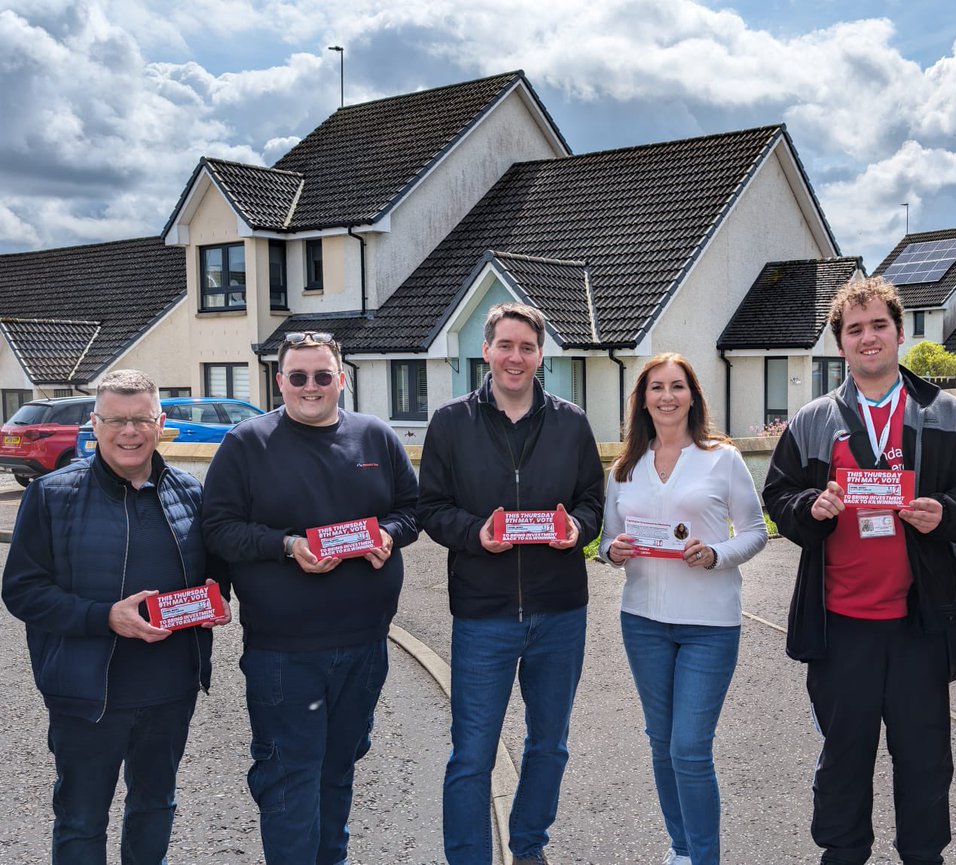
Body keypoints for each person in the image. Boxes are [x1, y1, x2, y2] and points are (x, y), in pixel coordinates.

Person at [762, 276, 956, 865]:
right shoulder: (813, 419)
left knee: (925, 757)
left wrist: (946, 513)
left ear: (897, 332)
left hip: (919, 623)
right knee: (844, 754)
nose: (867, 338)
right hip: (841, 624)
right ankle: (842, 852)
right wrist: (810, 509)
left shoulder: (944, 412)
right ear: (840, 343)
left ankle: (924, 854)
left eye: (878, 326)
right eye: (854, 329)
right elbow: (779, 495)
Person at [201, 332, 419, 865]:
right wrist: (287, 545)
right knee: (289, 778)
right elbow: (219, 529)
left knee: (339, 768)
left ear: (341, 378)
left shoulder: (376, 436)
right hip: (284, 653)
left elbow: (414, 509)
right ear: (280, 382)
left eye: (323, 375)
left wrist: (390, 533)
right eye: (298, 377)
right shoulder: (247, 443)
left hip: (366, 645)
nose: (311, 387)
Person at [2, 368, 230, 864]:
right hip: (88, 694)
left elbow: (211, 573)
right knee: (82, 821)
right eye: (116, 420)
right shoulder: (52, 495)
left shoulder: (190, 493)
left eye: (141, 419)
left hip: (170, 690)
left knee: (155, 807)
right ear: (95, 424)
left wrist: (214, 597)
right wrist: (105, 617)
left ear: (161, 422)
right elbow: (21, 591)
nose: (130, 432)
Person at [418, 302, 605, 865]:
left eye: (527, 347)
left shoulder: (571, 421)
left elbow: (593, 501)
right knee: (472, 755)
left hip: (560, 612)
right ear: (487, 350)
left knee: (549, 744)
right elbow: (431, 509)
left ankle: (528, 847)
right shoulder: (452, 421)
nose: (515, 357)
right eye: (505, 346)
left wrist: (577, 528)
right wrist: (478, 534)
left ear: (541, 354)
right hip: (484, 613)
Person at [600, 353, 767, 865]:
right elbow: (608, 540)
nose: (667, 396)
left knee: (689, 749)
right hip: (643, 620)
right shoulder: (626, 467)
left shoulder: (722, 457)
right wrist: (613, 552)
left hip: (709, 624)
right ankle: (680, 849)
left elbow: (757, 532)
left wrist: (717, 554)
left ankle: (704, 857)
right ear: (642, 399)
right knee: (660, 742)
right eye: (656, 387)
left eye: (677, 386)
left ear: (692, 395)